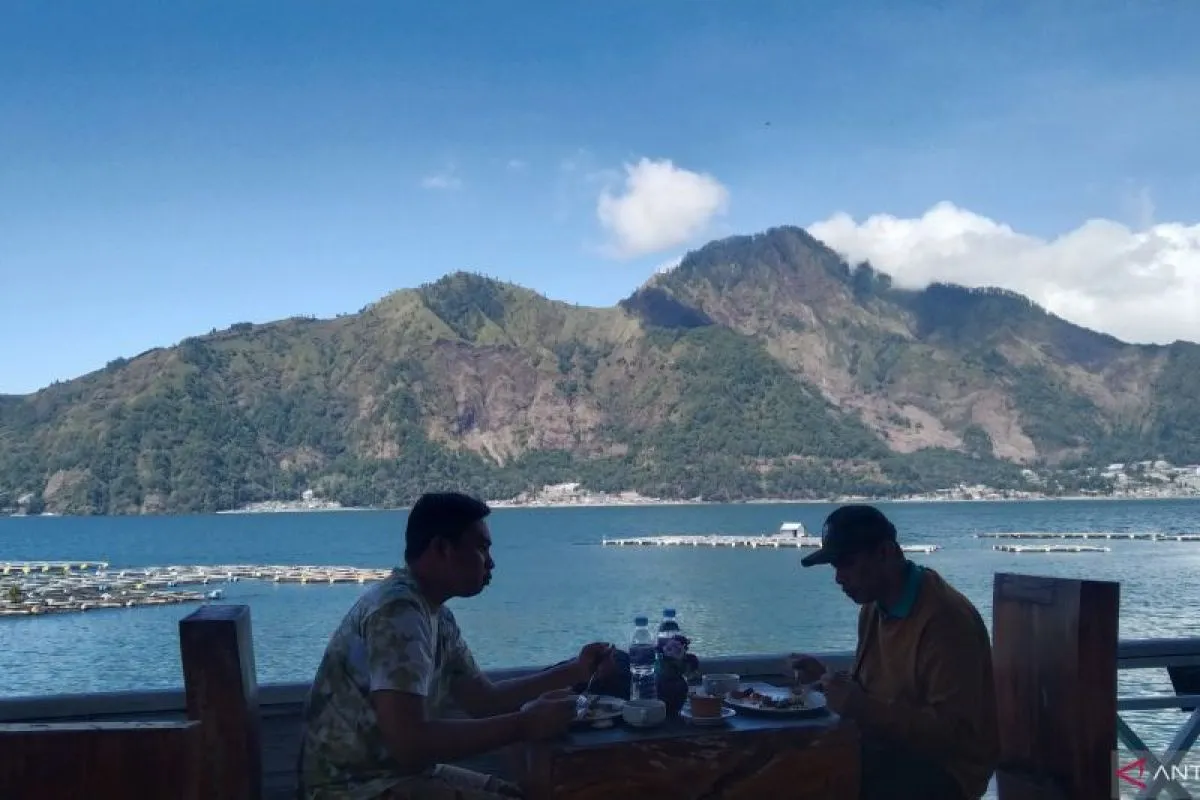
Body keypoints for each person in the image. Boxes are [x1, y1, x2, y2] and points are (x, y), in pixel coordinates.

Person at [298, 491, 616, 800]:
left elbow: (484, 700)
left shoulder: (436, 615)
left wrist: (575, 670)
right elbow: (409, 745)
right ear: (442, 548)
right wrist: (526, 724)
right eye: (481, 548)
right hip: (355, 789)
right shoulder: (398, 614)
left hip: (398, 777)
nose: (490, 563)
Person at [791, 505, 999, 800]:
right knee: (784, 767)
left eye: (846, 563)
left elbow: (953, 735)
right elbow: (878, 691)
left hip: (946, 774)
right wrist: (825, 678)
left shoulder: (945, 620)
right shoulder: (873, 607)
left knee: (811, 780)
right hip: (886, 752)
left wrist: (859, 707)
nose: (838, 578)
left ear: (885, 553)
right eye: (835, 566)